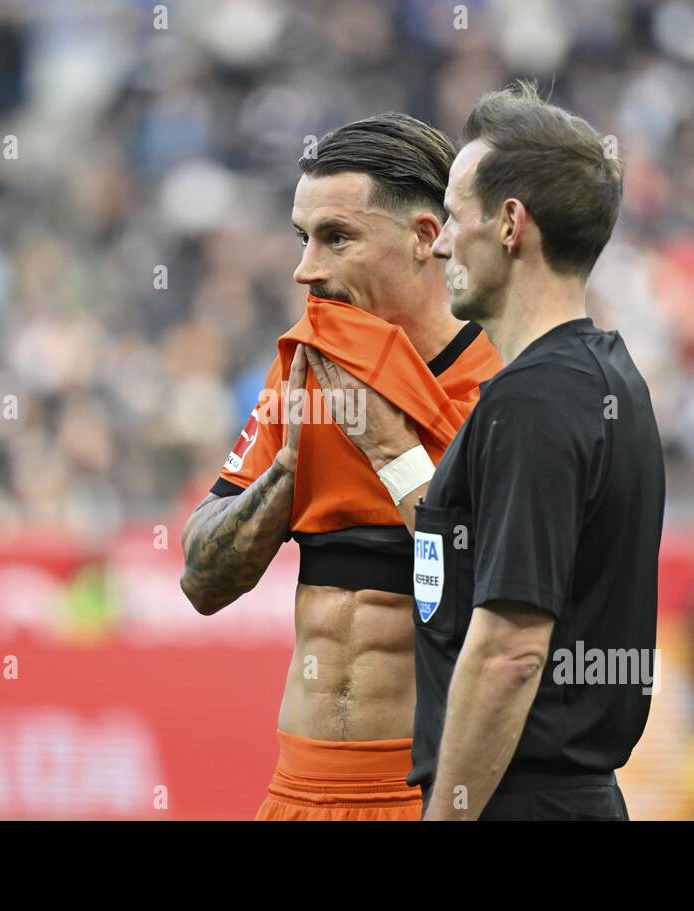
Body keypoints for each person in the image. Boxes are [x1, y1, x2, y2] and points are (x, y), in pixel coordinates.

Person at [304, 81, 665, 820]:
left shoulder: (531, 400)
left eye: (455, 216)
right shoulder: (605, 376)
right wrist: (392, 450)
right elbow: (465, 564)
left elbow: (508, 651)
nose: (437, 242)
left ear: (509, 225)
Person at [179, 113, 502, 821]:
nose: (306, 268)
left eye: (337, 237)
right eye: (304, 237)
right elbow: (201, 579)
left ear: (425, 237)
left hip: (430, 795)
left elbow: (503, 600)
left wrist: (393, 455)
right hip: (298, 791)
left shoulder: (501, 387)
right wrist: (286, 471)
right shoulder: (304, 372)